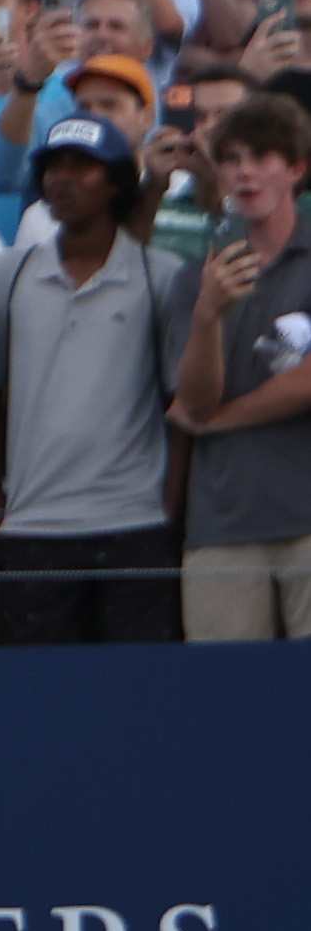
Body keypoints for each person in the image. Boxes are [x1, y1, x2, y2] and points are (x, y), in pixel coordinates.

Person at [0, 112, 190, 645]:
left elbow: (180, 406)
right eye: (52, 166)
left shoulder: (160, 275)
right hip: (33, 526)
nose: (62, 179)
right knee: (45, 705)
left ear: (115, 181)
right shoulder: (8, 274)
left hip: (134, 523)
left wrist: (169, 512)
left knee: (136, 697)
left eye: (81, 166)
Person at [169, 91, 311, 639]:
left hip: (305, 516)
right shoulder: (196, 278)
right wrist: (208, 315)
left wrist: (216, 422)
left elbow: (304, 386)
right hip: (222, 524)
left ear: (296, 168)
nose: (244, 172)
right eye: (231, 159)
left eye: (261, 157)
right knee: (226, 705)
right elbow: (195, 399)